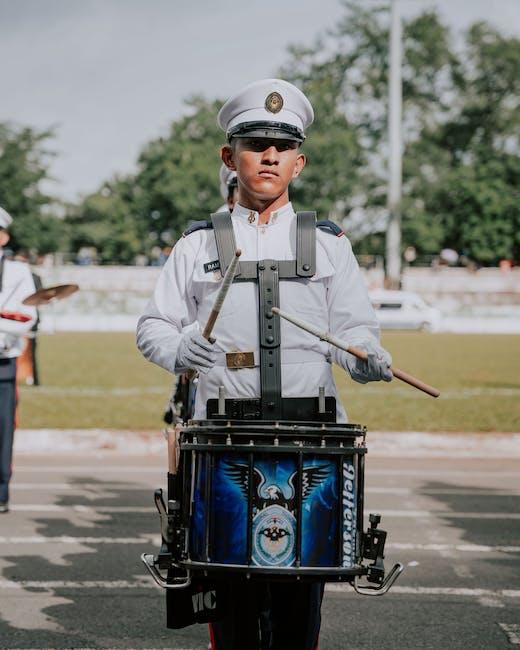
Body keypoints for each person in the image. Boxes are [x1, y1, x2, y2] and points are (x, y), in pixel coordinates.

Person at [137, 78, 392, 650]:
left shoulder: (329, 244)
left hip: (311, 439)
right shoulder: (197, 244)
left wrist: (366, 355)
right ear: (230, 158)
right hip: (223, 437)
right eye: (254, 145)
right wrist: (177, 347)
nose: (269, 156)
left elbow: (353, 329)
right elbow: (152, 326)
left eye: (281, 147)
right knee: (229, 603)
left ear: (298, 163)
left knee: (300, 609)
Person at [0, 207, 37, 513]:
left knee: (2, 432)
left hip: (2, 363)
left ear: (4, 236)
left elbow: (27, 318)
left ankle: (1, 492)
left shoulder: (17, 272)